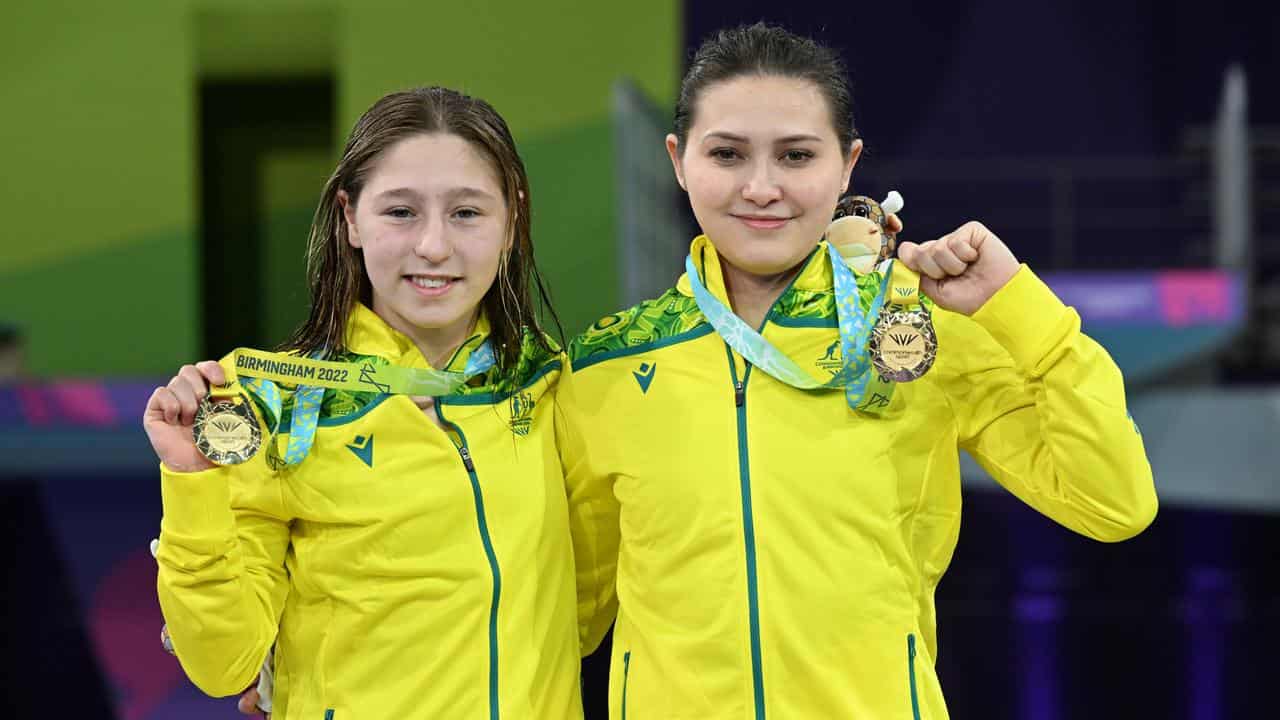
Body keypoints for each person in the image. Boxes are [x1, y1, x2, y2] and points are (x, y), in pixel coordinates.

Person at [559, 22, 1157, 719]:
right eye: (726, 153)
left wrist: (1019, 307)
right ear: (678, 160)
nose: (761, 187)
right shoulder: (608, 364)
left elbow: (1114, 502)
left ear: (847, 165)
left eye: (796, 155)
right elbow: (562, 617)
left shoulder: (916, 332)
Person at [147, 87, 583, 720]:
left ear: (512, 221)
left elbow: (590, 602)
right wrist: (193, 482)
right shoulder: (268, 403)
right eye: (401, 212)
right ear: (350, 218)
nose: (433, 246)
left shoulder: (552, 385)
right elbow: (222, 665)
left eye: (466, 213)